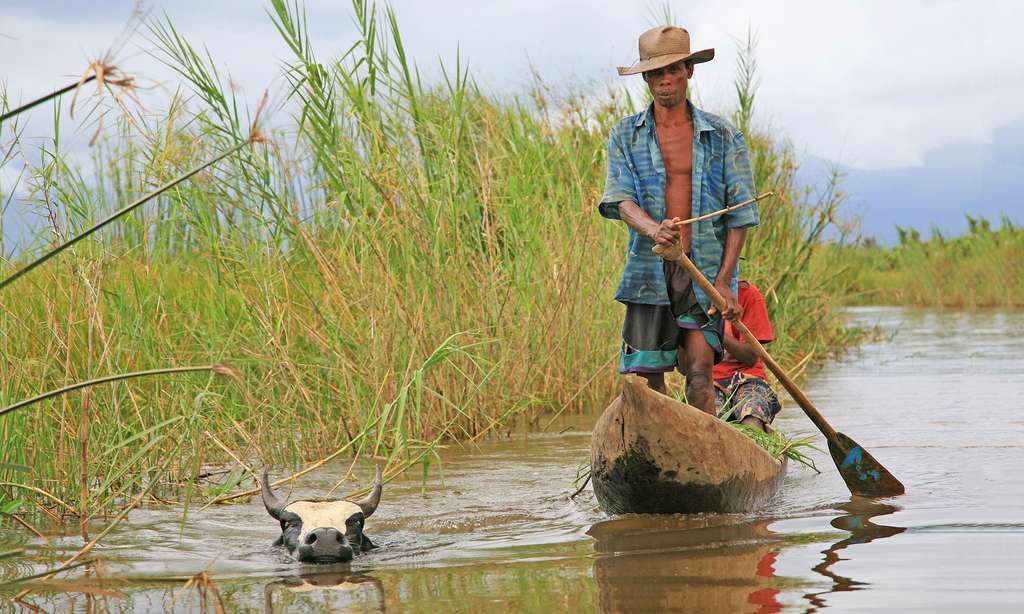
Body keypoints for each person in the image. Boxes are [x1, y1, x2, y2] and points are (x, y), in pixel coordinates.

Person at [599, 25, 759, 414]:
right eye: (656, 74)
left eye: (673, 71)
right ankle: (664, 463)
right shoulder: (625, 135)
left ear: (690, 71)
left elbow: (740, 213)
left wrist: (724, 281)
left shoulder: (722, 136)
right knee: (648, 383)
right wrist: (656, 230)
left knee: (701, 374)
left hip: (703, 272)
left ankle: (709, 466)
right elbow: (619, 199)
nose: (665, 81)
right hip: (648, 275)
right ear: (647, 80)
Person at [713, 280, 781, 432]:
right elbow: (685, 368)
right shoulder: (691, 297)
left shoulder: (748, 294)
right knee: (711, 421)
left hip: (748, 379)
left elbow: (750, 357)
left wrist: (714, 329)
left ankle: (759, 443)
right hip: (709, 382)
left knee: (751, 417)